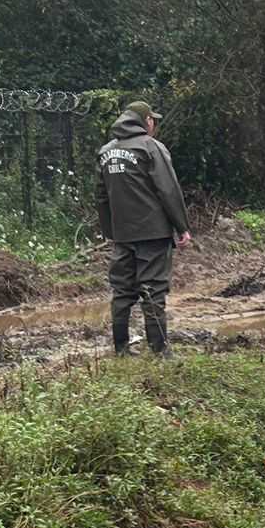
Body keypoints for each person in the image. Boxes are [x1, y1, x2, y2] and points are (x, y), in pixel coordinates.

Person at [96, 101, 191, 356]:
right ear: (146, 120)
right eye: (153, 120)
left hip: (122, 234)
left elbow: (102, 196)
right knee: (153, 290)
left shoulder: (106, 151)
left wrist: (111, 232)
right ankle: (160, 352)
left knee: (122, 291)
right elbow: (168, 190)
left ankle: (120, 349)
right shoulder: (151, 147)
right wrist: (182, 227)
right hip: (153, 233)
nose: (154, 125)